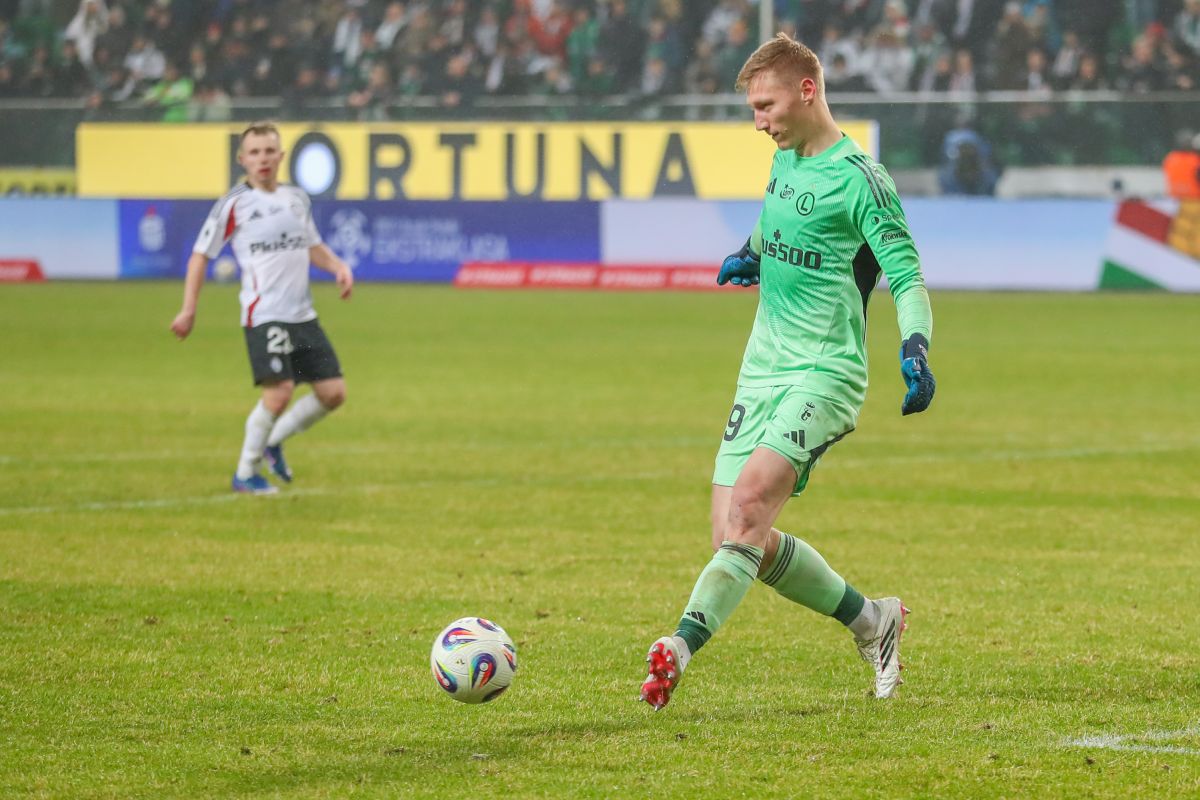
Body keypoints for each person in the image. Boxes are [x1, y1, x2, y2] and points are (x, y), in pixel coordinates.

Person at [639, 33, 936, 711]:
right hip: (761, 369)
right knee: (735, 536)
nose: (758, 121)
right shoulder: (786, 158)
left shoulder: (861, 179)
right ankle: (873, 620)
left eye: (765, 106)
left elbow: (907, 274)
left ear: (807, 91)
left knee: (747, 509)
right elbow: (778, 219)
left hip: (825, 372)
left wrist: (916, 345)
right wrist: (750, 251)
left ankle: (678, 647)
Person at [169, 122, 354, 495]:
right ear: (242, 159)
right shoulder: (234, 203)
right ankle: (246, 473)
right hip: (264, 314)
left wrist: (337, 266)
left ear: (281, 156)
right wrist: (189, 310)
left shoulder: (296, 198)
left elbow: (311, 245)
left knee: (333, 393)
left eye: (269, 151)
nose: (263, 159)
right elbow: (200, 256)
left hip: (302, 315)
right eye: (254, 153)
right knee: (279, 392)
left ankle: (273, 441)